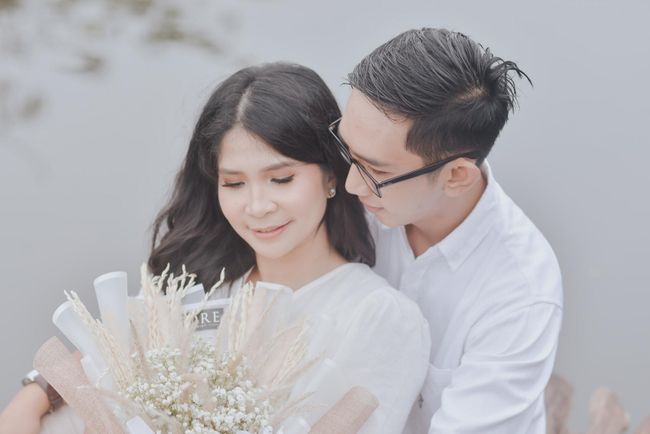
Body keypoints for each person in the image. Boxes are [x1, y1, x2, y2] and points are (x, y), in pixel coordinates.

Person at [0, 62, 430, 434]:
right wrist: (35, 392)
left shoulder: (378, 316)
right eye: (234, 183)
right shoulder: (201, 286)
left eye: (281, 179)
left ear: (331, 175)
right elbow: (113, 356)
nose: (257, 206)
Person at [331, 28, 563, 433]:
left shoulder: (520, 295)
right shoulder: (364, 197)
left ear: (456, 176)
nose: (349, 184)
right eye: (347, 151)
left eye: (375, 171)